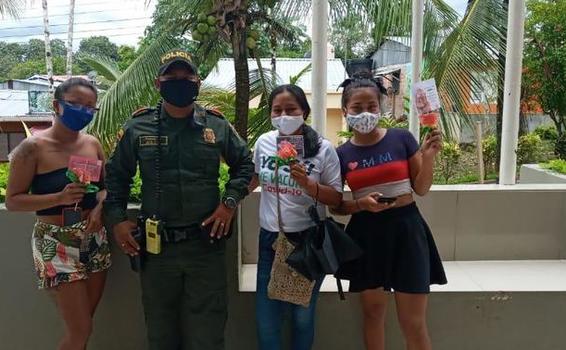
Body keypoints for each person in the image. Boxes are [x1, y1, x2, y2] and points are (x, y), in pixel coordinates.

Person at [103, 49, 254, 350]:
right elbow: (115, 178)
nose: (180, 82)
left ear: (198, 82)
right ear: (158, 84)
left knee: (208, 334)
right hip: (157, 251)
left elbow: (246, 167)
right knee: (161, 333)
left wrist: (229, 203)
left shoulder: (217, 125)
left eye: (187, 77)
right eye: (172, 77)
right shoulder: (137, 127)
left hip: (205, 248)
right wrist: (118, 222)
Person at [332, 75, 447, 350]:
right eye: (357, 107)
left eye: (371, 106)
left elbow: (421, 188)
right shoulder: (341, 154)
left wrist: (428, 158)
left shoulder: (402, 139)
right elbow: (335, 206)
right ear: (345, 111)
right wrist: (361, 205)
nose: (365, 113)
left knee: (414, 322)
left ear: (381, 106)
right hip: (366, 234)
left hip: (406, 230)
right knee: (373, 315)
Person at [5, 78, 110, 350]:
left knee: (85, 324)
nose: (83, 111)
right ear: (57, 105)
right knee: (80, 330)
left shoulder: (92, 144)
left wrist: (99, 208)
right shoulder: (32, 148)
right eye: (75, 104)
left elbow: (105, 189)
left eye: (90, 107)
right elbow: (14, 201)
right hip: (55, 242)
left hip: (93, 238)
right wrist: (59, 198)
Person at [248, 84, 343, 350]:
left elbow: (335, 199)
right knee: (267, 318)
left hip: (307, 242)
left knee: (302, 316)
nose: (284, 115)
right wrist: (228, 202)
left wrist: (307, 183)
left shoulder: (323, 149)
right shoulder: (264, 143)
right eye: (277, 110)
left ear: (305, 111)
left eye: (291, 109)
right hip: (271, 239)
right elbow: (254, 178)